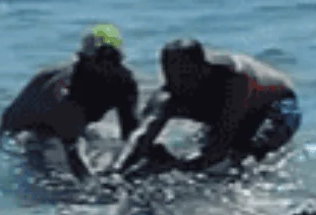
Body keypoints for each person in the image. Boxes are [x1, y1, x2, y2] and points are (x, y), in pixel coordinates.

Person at [111, 38, 301, 175]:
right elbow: (142, 134)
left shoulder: (233, 79)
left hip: (274, 106)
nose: (177, 82)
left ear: (203, 68)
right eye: (169, 72)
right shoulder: (167, 95)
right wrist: (117, 171)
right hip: (225, 112)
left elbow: (221, 143)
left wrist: (176, 167)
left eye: (185, 74)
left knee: (242, 157)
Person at [0, 24, 139, 180]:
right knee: (59, 174)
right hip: (31, 125)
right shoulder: (66, 92)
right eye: (100, 58)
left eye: (113, 58)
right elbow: (71, 151)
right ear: (83, 60)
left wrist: (122, 168)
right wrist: (90, 183)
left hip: (72, 123)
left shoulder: (125, 82)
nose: (107, 66)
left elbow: (130, 131)